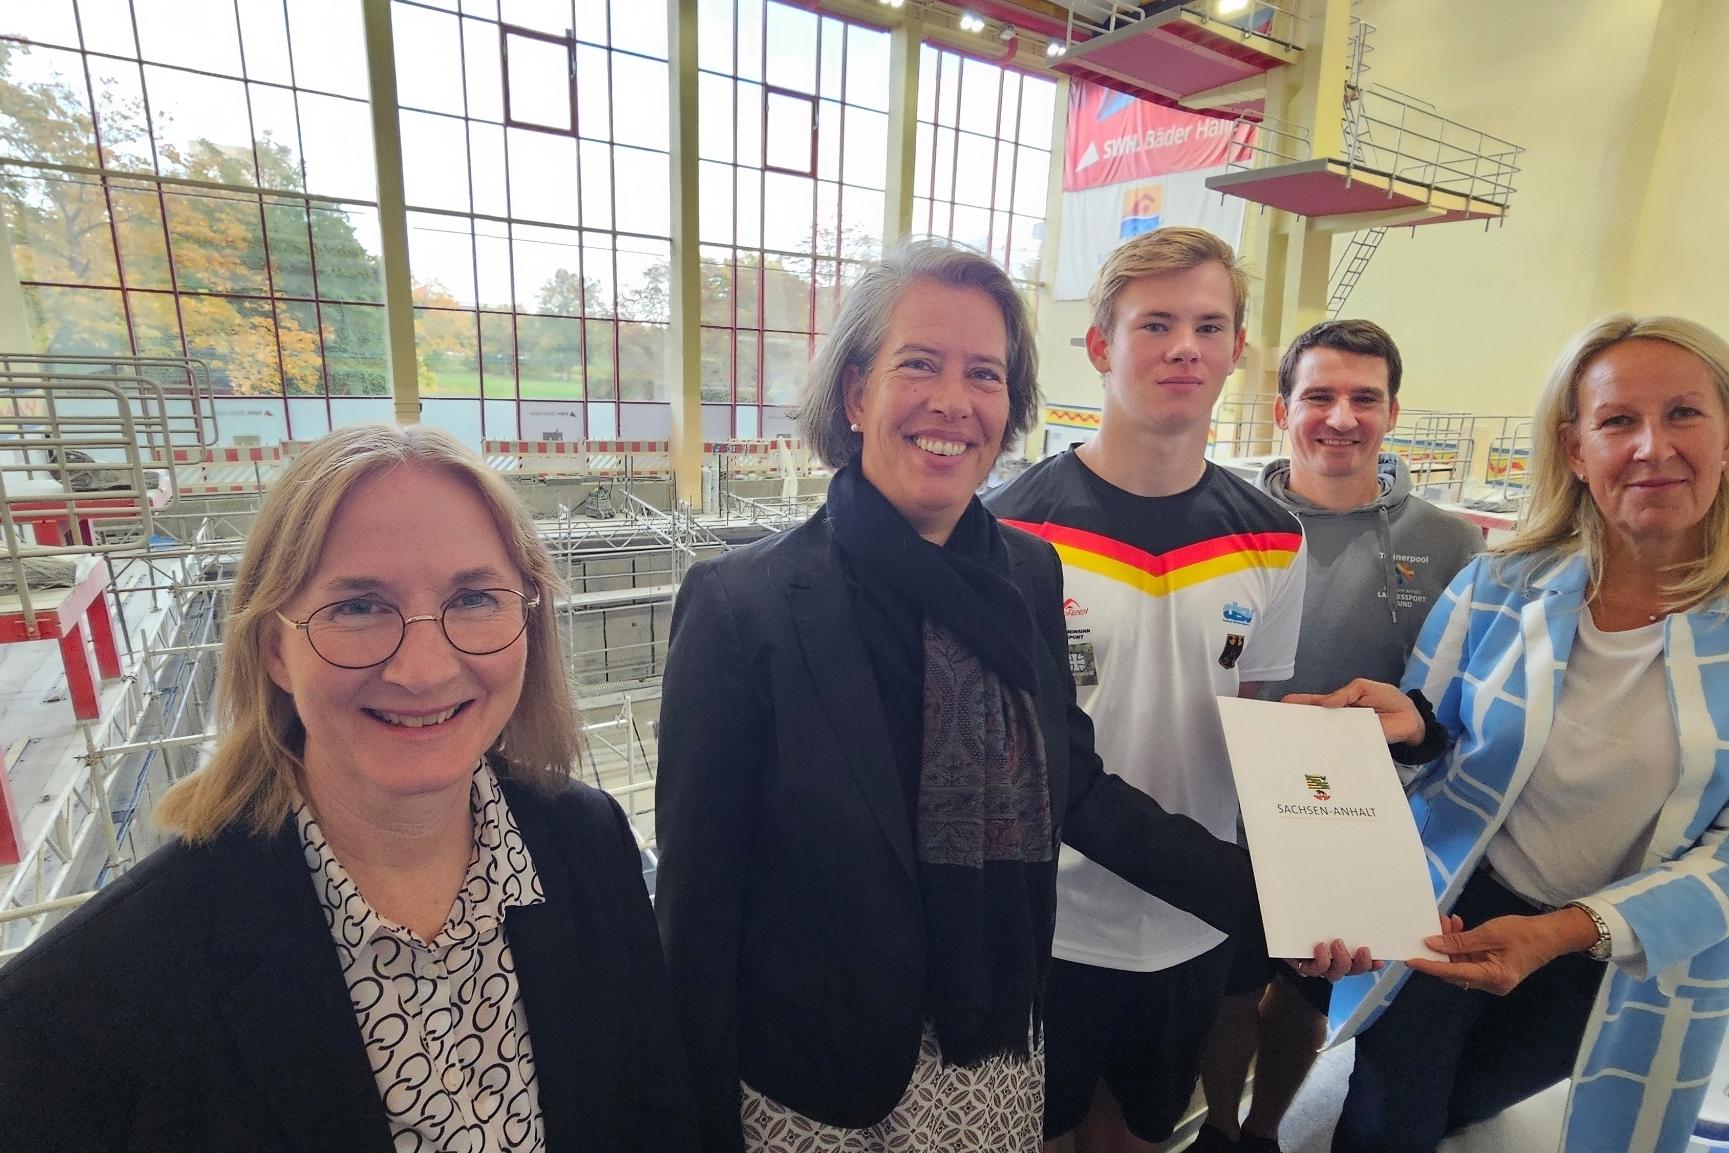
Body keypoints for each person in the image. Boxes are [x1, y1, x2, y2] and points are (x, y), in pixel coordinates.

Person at [654, 241, 1357, 1153]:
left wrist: (1288, 902)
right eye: (919, 363)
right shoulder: (742, 606)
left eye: (984, 373)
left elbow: (1079, 790)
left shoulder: (1023, 572)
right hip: (814, 1081)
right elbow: (696, 912)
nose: (953, 400)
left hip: (988, 1048)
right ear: (856, 393)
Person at [0, 425, 697, 1152]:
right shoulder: (84, 1006)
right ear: (273, 646)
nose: (424, 670)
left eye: (474, 598)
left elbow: (655, 1114)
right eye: (359, 607)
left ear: (528, 620)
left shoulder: (588, 841)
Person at [1296, 315, 1729, 1153]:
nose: (1650, 447)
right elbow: (1442, 721)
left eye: (1683, 414)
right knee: (1386, 1117)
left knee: (1475, 1100)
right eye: (1615, 421)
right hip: (1455, 909)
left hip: (1618, 950)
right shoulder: (1502, 582)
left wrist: (1562, 932)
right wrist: (1410, 725)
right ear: (1573, 448)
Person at [986, 226, 1314, 1153]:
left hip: (1188, 920)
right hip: (1044, 921)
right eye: (1155, 324)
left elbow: (1256, 731)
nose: (1185, 348)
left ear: (1237, 352)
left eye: (1210, 327)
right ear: (1099, 345)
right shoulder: (1012, 527)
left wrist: (1319, 879)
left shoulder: (1274, 536)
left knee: (1137, 1137)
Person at [1203, 320, 1483, 1152]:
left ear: (1392, 410)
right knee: (1223, 994)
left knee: (1304, 991)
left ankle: (1263, 1128)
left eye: (1364, 397)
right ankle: (1216, 1125)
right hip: (1222, 810)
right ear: (1283, 406)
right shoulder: (1229, 520)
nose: (1340, 416)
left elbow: (1453, 708)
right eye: (1318, 395)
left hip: (1350, 823)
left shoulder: (1447, 543)